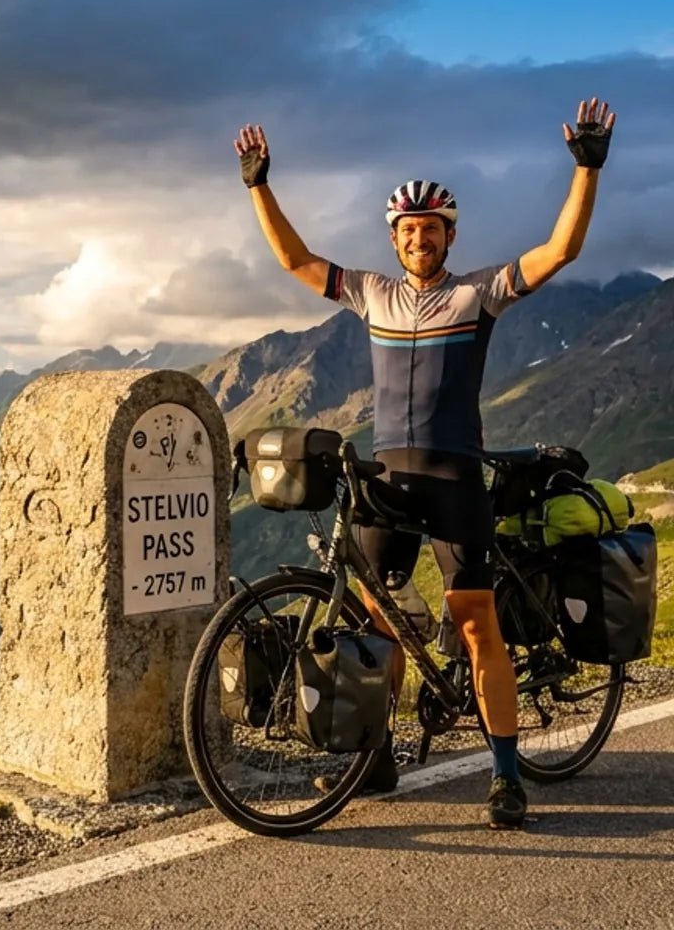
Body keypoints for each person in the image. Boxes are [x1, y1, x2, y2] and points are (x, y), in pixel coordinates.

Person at [234, 97, 615, 830]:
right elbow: (293, 259)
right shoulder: (372, 294)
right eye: (408, 230)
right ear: (396, 238)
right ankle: (373, 751)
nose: (419, 239)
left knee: (476, 628)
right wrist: (258, 185)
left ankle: (506, 777)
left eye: (431, 229)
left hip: (451, 480)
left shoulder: (478, 294)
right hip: (388, 482)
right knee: (375, 622)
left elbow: (559, 251)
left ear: (448, 236)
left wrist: (586, 169)